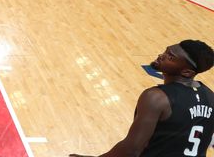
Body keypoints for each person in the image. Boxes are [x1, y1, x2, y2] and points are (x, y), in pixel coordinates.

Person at [69, 40, 214, 157]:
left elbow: (131, 150)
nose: (161, 55)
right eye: (166, 51)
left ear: (187, 72)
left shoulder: (156, 98)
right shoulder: (210, 96)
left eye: (171, 57)